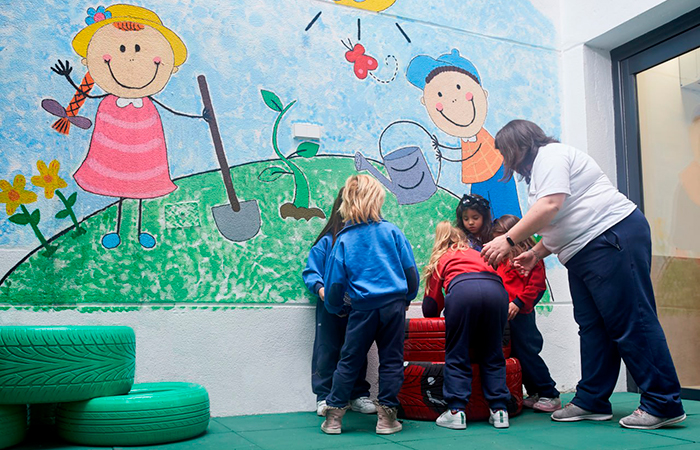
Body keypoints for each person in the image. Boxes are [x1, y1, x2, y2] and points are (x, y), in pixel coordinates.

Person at [481, 120, 685, 430]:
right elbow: (561, 220)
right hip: (585, 250)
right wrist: (536, 254)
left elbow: (551, 206)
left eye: (505, 153)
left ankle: (662, 402)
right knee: (593, 327)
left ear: (517, 146)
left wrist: (507, 239)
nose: (505, 161)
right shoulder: (540, 172)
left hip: (610, 236)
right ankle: (592, 400)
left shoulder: (550, 156)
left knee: (632, 320)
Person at [47, 5, 207, 249]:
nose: (131, 57)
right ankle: (117, 231)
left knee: (140, 185)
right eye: (122, 48)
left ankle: (141, 229)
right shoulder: (107, 106)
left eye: (138, 49)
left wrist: (199, 116)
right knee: (121, 185)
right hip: (111, 143)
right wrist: (70, 77)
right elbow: (88, 97)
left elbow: (172, 110)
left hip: (146, 143)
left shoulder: (149, 108)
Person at [320, 174, 419, 435]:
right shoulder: (392, 232)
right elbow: (411, 272)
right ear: (378, 200)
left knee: (349, 359)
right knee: (391, 360)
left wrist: (336, 308)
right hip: (393, 307)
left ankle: (333, 418)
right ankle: (387, 419)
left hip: (362, 309)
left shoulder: (343, 239)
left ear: (347, 203)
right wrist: (408, 297)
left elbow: (334, 285)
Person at [406, 49, 521, 219]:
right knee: (483, 218)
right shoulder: (465, 142)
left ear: (482, 93)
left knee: (506, 214)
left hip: (496, 169)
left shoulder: (489, 145)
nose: (452, 100)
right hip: (477, 175)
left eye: (458, 87)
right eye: (439, 95)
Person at [423, 221, 511, 430]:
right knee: (493, 351)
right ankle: (500, 411)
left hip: (463, 291)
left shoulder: (443, 257)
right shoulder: (478, 253)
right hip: (497, 293)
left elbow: (431, 305)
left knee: (457, 351)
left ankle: (456, 411)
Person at [302, 188, 376, 418]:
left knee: (357, 349)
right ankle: (324, 396)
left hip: (359, 306)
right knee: (327, 349)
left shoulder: (366, 240)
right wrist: (323, 291)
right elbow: (311, 272)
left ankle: (358, 394)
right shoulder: (327, 242)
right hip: (329, 306)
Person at [492, 214, 560, 412]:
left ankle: (550, 393)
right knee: (515, 355)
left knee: (528, 353)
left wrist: (518, 303)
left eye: (502, 238)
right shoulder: (502, 261)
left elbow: (537, 286)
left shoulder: (531, 258)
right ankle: (534, 392)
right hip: (505, 316)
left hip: (521, 314)